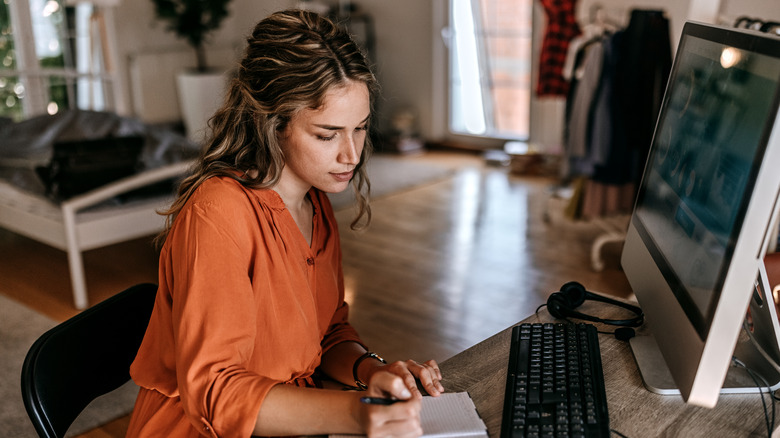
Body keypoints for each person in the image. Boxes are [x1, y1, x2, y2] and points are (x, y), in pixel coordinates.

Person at [126, 9, 444, 438]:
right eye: (327, 135)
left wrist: (374, 372)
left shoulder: (315, 203)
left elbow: (328, 333)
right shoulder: (218, 214)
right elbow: (215, 395)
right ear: (273, 125)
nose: (351, 155)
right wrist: (358, 413)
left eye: (360, 128)